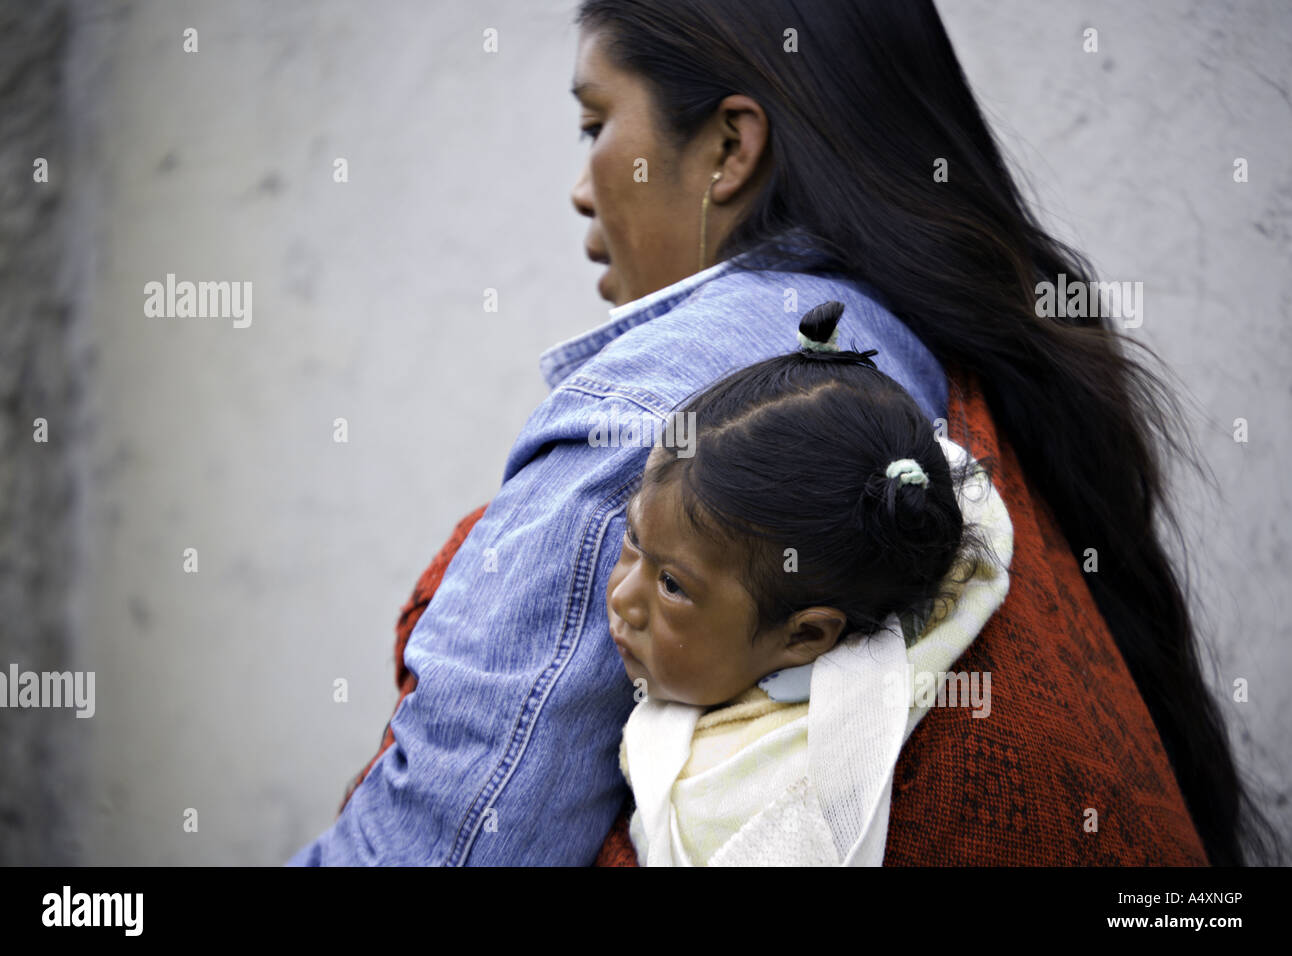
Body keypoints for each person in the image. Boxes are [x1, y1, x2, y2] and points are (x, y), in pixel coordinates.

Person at [288, 0, 1277, 866]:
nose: (582, 187)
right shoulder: (927, 345)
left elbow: (446, 843)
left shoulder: (674, 411)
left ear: (728, 147)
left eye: (595, 121)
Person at [610, 300, 1015, 865]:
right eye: (632, 537)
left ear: (805, 638)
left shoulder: (745, 810)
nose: (621, 599)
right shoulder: (902, 487)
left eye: (673, 585)